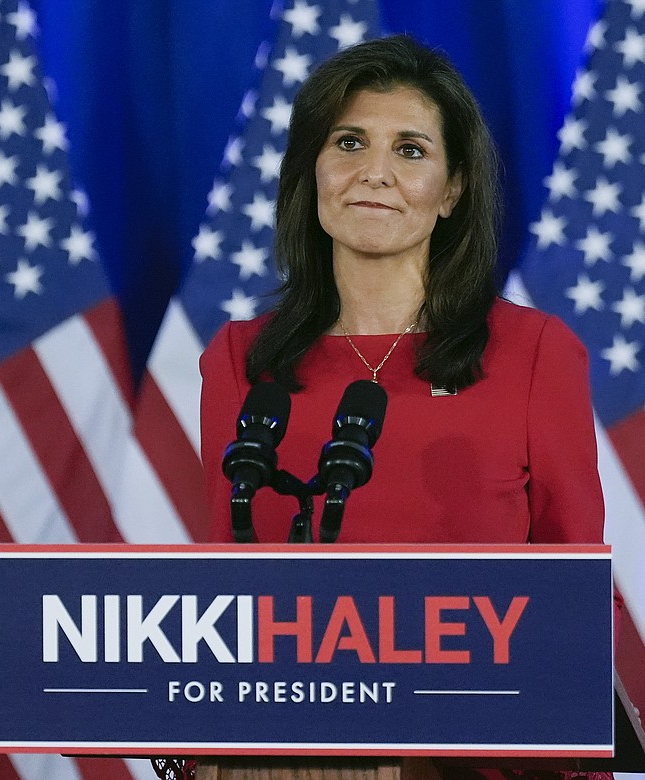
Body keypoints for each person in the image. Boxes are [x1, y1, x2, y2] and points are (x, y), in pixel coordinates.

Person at [198, 35, 616, 780]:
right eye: (349, 141)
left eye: (412, 150)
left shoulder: (532, 352)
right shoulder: (242, 361)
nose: (375, 173)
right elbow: (228, 586)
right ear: (313, 170)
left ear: (453, 190)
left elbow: (573, 595)